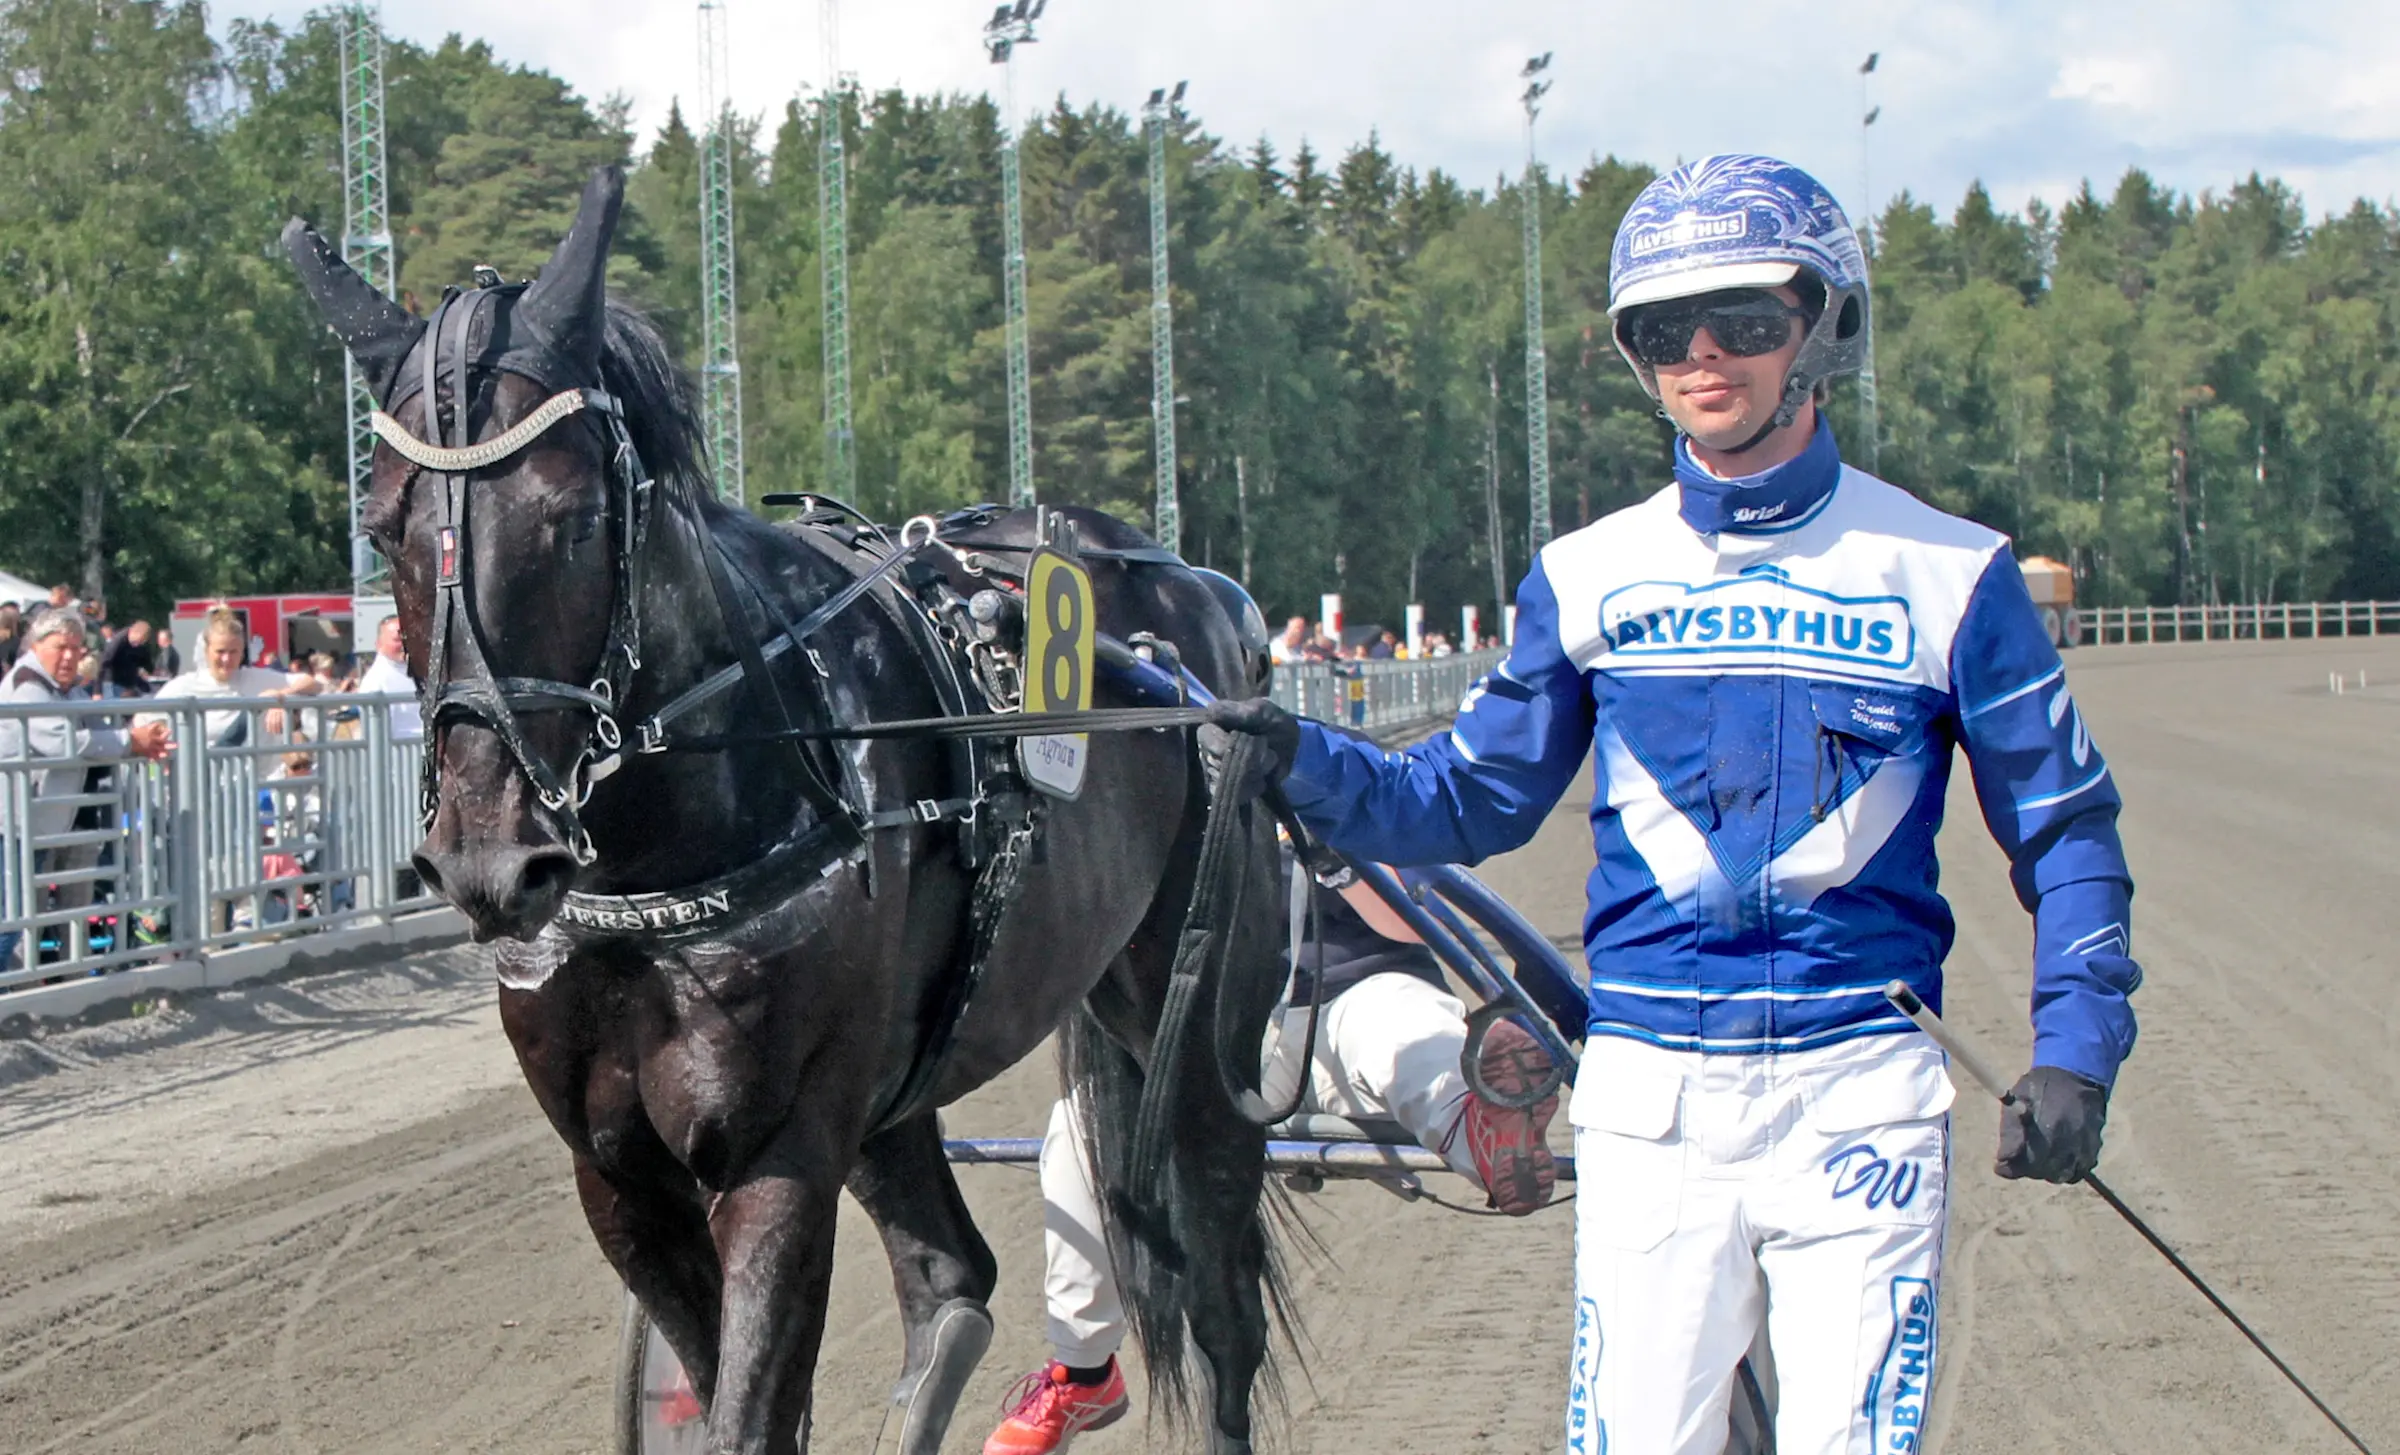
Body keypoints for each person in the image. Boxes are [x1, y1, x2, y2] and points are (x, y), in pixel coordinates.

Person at [1205, 154, 2141, 1455]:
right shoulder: (1587, 575)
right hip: (1651, 1100)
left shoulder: (1954, 573)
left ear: (1823, 326)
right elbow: (1467, 797)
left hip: (1860, 1098)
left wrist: (2078, 1045)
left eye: (1746, 321)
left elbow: (2066, 829)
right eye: (1662, 331)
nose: (1705, 355)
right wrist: (1290, 755)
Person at [983, 835, 1561, 1455]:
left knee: (1403, 1026)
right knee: (1079, 1124)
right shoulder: (1159, 795)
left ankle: (1486, 1129)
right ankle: (1083, 1369)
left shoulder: (1339, 782)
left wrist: (1335, 849)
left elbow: (1411, 921)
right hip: (1211, 1052)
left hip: (1346, 1004)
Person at [1, 607, 172, 968]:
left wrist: (143, 736)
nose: (69, 656)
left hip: (43, 821)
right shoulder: (28, 686)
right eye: (60, 646)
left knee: (18, 919)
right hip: (16, 824)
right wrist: (131, 740)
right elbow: (64, 744)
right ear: (36, 644)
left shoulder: (63, 689)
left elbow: (96, 725)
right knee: (12, 920)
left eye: (76, 648)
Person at [141, 608, 320, 747]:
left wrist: (280, 696)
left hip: (257, 783)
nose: (227, 659)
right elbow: (143, 719)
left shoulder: (257, 677)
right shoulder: (184, 685)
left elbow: (313, 684)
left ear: (242, 652)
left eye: (233, 652)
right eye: (220, 651)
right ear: (207, 651)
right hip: (208, 782)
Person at [355, 614, 423, 741]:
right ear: (379, 644)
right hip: (397, 752)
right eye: (397, 639)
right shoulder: (375, 681)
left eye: (408, 638)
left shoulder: (421, 670)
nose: (405, 644)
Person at [99, 620, 156, 699]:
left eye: (139, 643)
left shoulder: (141, 644)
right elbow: (104, 662)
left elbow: (145, 660)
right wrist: (97, 690)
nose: (136, 645)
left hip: (129, 682)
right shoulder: (118, 640)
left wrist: (152, 670)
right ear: (132, 632)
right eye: (135, 641)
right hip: (113, 682)